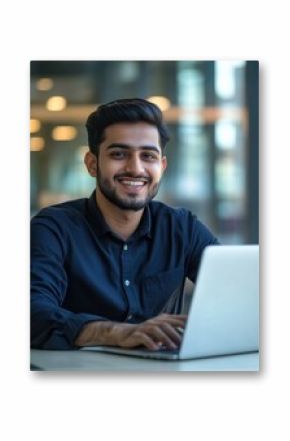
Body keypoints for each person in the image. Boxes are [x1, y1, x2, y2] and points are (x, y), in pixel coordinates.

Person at [31, 98, 219, 350]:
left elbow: (237, 296)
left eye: (148, 156)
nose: (135, 168)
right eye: (119, 154)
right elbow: (31, 312)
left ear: (161, 166)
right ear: (92, 164)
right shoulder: (54, 228)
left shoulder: (182, 228)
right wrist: (114, 333)